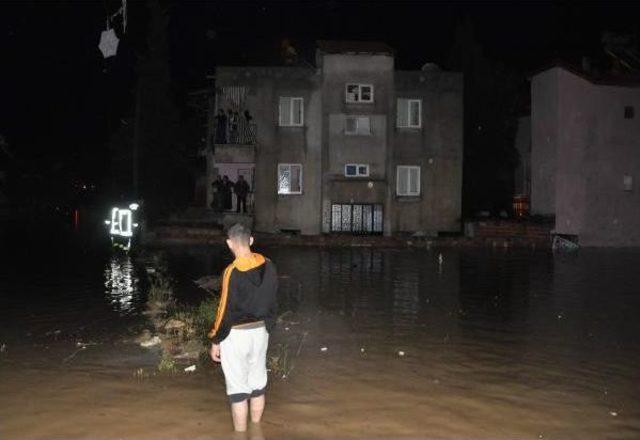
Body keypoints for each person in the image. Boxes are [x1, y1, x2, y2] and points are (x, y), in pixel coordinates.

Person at [209, 224, 278, 432]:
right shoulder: (269, 265)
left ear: (229, 243)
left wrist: (215, 339)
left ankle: (240, 435)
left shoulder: (232, 271)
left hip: (236, 336)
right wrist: (269, 326)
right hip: (260, 332)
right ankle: (257, 432)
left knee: (238, 391)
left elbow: (224, 309)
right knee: (258, 386)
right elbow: (274, 299)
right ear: (251, 241)